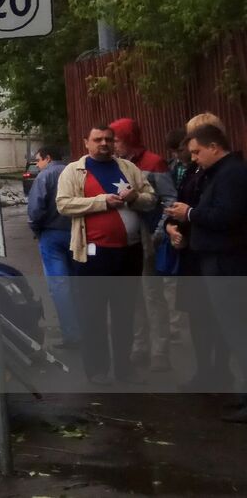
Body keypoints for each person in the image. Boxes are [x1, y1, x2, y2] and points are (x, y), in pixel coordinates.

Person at [57, 122, 158, 384]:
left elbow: (151, 198)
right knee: (93, 315)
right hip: (92, 255)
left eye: (108, 140)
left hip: (129, 253)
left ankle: (124, 367)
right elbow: (64, 204)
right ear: (86, 143)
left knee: (125, 314)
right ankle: (97, 370)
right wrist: (102, 201)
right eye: (98, 139)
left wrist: (134, 197)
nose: (104, 144)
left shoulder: (128, 168)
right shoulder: (74, 171)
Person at [165, 123, 247, 423]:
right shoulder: (216, 173)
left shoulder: (232, 174)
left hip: (228, 262)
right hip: (214, 259)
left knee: (238, 329)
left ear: (214, 146)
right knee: (231, 328)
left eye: (198, 152)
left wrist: (189, 213)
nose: (194, 158)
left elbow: (225, 216)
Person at [167, 113, 230, 390]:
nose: (190, 153)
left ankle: (221, 371)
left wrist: (189, 215)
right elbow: (180, 203)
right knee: (198, 315)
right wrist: (172, 228)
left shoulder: (223, 173)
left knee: (220, 317)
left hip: (216, 254)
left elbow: (222, 215)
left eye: (195, 147)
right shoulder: (194, 171)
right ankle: (205, 370)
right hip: (192, 252)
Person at [110, 117, 175, 372]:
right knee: (134, 296)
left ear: (128, 139)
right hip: (126, 242)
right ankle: (140, 347)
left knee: (152, 297)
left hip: (149, 239)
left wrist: (159, 234)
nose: (113, 145)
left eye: (115, 139)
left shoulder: (153, 162)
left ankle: (161, 351)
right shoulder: (118, 165)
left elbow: (170, 199)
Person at [27, 145, 78, 347]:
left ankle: (72, 334)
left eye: (38, 160)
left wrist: (36, 230)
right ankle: (86, 327)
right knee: (77, 284)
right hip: (76, 234)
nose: (37, 165)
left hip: (51, 236)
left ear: (47, 158)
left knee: (59, 286)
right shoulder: (73, 172)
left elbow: (35, 210)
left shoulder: (44, 176)